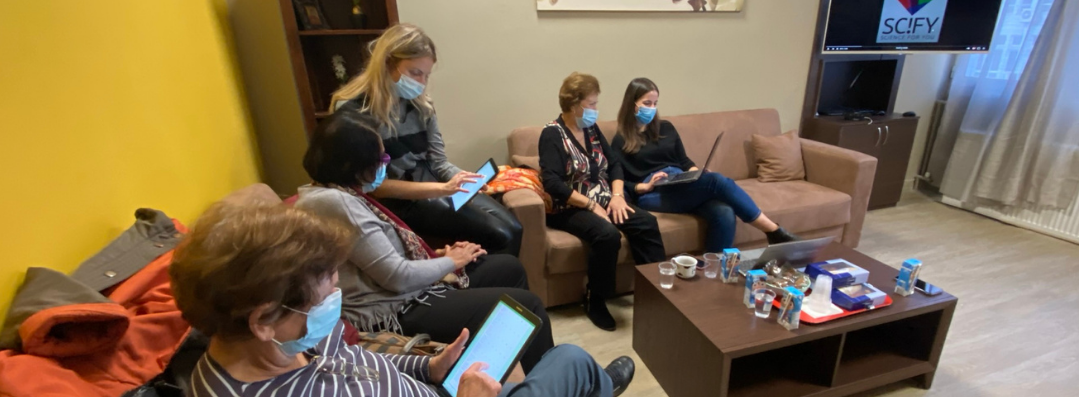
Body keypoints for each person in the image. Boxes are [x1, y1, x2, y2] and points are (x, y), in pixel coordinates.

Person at [169, 202, 636, 397]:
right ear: (263, 320)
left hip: (433, 388)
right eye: (327, 291)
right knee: (572, 360)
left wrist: (426, 368)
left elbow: (356, 358)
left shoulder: (287, 336)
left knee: (543, 358)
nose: (337, 297)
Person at [295, 110, 554, 372]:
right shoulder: (336, 203)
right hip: (394, 309)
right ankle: (542, 382)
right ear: (353, 165)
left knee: (510, 267)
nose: (385, 164)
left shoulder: (331, 193)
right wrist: (451, 262)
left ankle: (492, 369)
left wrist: (437, 256)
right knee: (527, 306)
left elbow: (380, 258)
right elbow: (397, 277)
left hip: (402, 292)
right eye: (381, 158)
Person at [329, 23, 522, 256]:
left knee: (515, 228)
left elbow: (438, 162)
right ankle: (471, 285)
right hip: (398, 201)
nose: (420, 83)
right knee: (501, 235)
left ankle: (500, 287)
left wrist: (463, 181)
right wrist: (441, 189)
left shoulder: (421, 106)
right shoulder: (354, 111)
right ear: (387, 64)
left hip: (433, 188)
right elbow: (372, 186)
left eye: (426, 75)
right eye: (414, 73)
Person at [611, 77, 801, 253]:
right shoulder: (621, 139)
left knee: (724, 212)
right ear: (632, 104)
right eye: (646, 103)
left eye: (655, 103)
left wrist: (695, 173)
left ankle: (714, 272)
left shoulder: (666, 128)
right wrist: (643, 186)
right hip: (653, 192)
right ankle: (774, 232)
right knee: (716, 181)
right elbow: (616, 177)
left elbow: (684, 161)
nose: (651, 108)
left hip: (679, 181)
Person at [538, 72, 666, 331]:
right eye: (592, 103)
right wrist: (589, 205)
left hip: (606, 198)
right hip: (569, 206)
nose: (596, 109)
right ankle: (595, 299)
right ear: (575, 105)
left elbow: (614, 163)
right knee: (606, 235)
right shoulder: (552, 134)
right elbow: (552, 184)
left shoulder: (591, 129)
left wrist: (617, 197)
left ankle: (656, 294)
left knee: (646, 222)